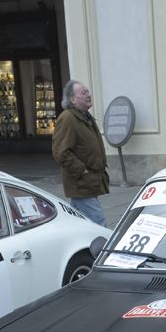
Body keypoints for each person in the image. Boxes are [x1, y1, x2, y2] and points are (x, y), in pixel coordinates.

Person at [52, 80, 109, 225]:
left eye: (88, 92)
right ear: (72, 99)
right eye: (84, 93)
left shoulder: (85, 116)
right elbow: (61, 152)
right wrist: (81, 170)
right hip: (80, 182)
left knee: (78, 221)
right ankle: (102, 246)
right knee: (98, 222)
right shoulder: (67, 118)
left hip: (86, 181)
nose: (89, 95)